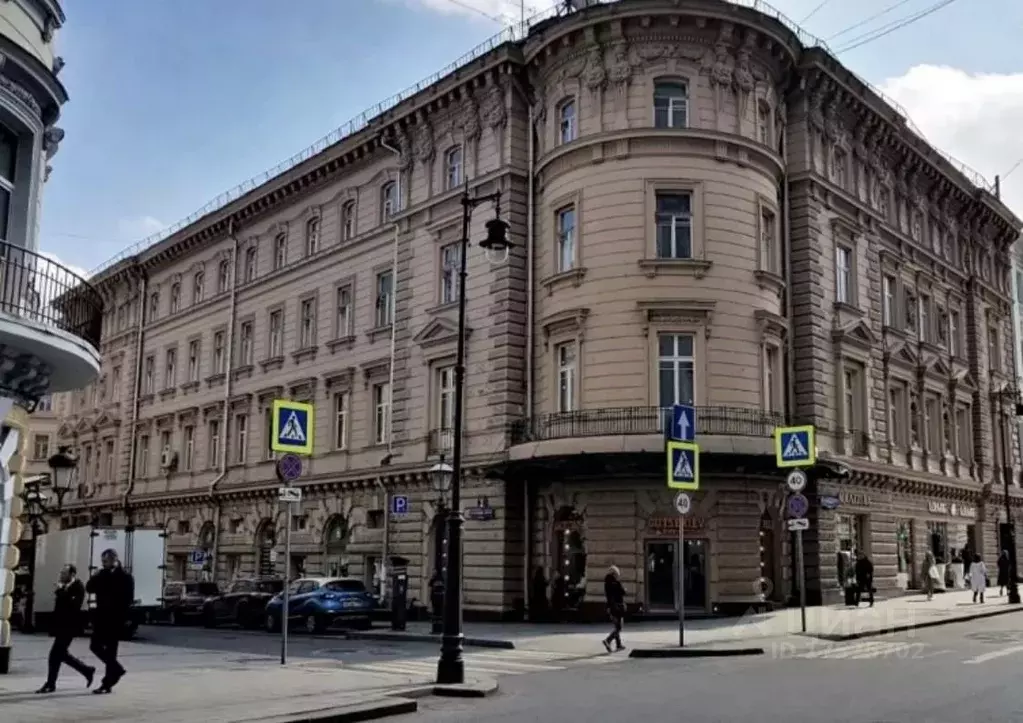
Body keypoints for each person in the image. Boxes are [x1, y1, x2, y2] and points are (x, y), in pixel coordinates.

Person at [35, 564, 95, 694]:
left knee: (54, 655)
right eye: (61, 573)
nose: (61, 575)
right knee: (61, 655)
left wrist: (60, 591)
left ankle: (50, 684)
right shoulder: (66, 586)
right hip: (60, 626)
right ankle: (87, 670)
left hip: (69, 627)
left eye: (64, 573)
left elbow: (72, 606)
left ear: (72, 574)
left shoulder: (78, 587)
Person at [86, 549, 134, 694]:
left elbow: (128, 600)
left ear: (114, 560)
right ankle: (117, 669)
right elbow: (89, 588)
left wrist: (125, 619)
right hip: (101, 618)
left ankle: (107, 684)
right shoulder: (101, 574)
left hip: (115, 619)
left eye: (105, 561)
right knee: (94, 646)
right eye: (102, 561)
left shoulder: (125, 576)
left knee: (111, 651)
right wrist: (94, 576)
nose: (103, 564)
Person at [602, 565, 626, 653]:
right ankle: (608, 640)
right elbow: (623, 592)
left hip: (611, 607)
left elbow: (608, 596)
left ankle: (618, 645)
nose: (617, 575)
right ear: (614, 574)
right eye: (617, 574)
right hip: (618, 606)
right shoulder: (617, 583)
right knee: (619, 627)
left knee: (617, 626)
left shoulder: (606, 583)